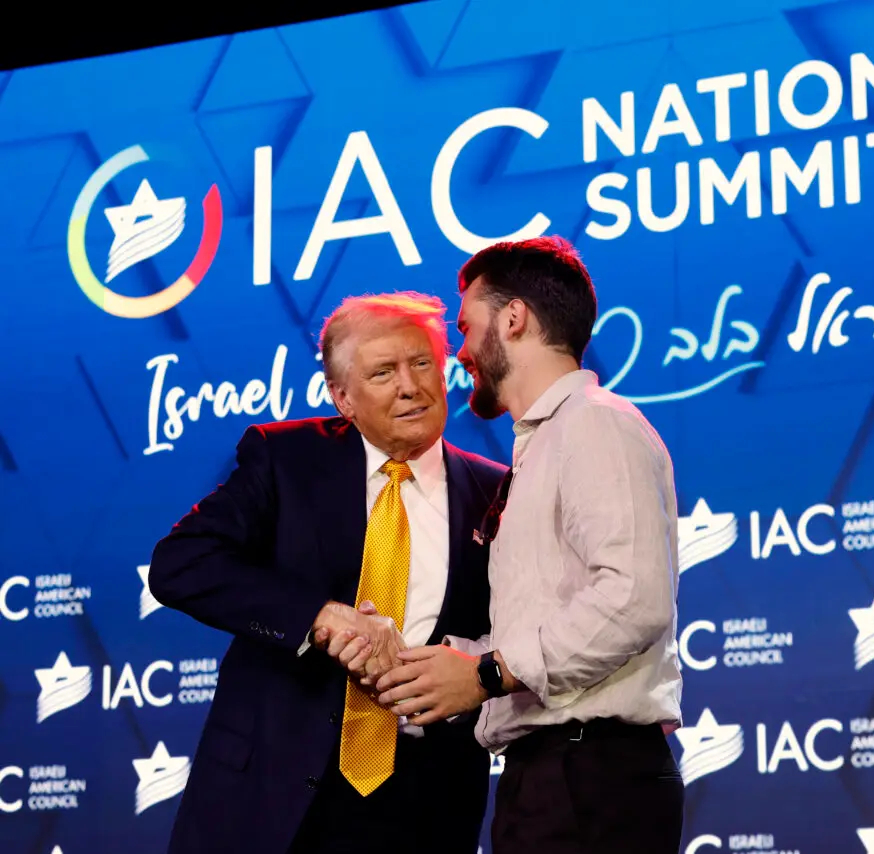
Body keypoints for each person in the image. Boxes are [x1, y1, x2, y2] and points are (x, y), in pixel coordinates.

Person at [147, 292, 507, 854]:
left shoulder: (496, 489)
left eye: (421, 363)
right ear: (343, 397)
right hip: (268, 790)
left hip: (425, 800)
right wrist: (317, 617)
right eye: (383, 372)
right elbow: (181, 563)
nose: (410, 386)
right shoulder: (286, 458)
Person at [371, 236, 685, 854]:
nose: (459, 352)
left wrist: (487, 674)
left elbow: (633, 599)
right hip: (550, 775)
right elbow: (546, 622)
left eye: (465, 327)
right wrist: (427, 663)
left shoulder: (596, 422)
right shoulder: (540, 447)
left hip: (592, 777)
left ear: (513, 318)